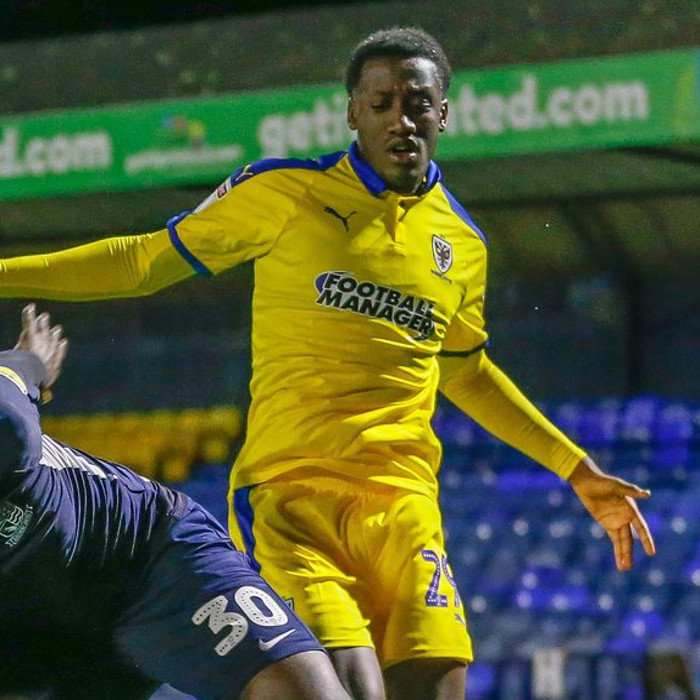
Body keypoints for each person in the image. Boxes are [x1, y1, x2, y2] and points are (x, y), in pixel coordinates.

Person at [0, 26, 656, 700]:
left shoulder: (463, 243)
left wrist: (575, 468)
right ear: (352, 113)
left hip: (405, 509)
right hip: (293, 499)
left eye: (417, 103)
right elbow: (143, 261)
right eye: (381, 103)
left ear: (443, 113)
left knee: (439, 686)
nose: (400, 119)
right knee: (347, 691)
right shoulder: (286, 192)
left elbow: (463, 370)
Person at [0, 304, 350, 700]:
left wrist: (31, 362)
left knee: (300, 691)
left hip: (141, 556)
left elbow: (19, 375)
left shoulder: (5, 430)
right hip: (32, 632)